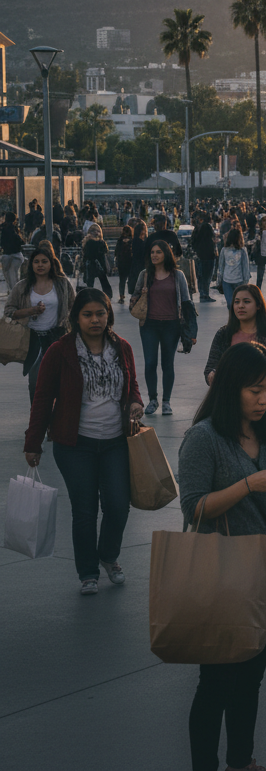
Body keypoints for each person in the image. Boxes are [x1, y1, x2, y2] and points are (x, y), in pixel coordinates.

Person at [179, 342, 266, 771]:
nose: (265, 399)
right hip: (218, 575)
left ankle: (241, 761)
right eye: (255, 389)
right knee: (214, 685)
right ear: (232, 387)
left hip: (262, 570)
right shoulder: (204, 438)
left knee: (251, 682)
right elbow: (194, 508)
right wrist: (249, 485)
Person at [23, 289, 143, 596]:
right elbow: (42, 399)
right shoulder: (60, 351)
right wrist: (33, 443)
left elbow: (133, 388)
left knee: (118, 506)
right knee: (85, 510)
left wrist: (134, 405)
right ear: (76, 318)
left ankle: (108, 556)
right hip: (74, 444)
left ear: (108, 315)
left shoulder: (122, 348)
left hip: (116, 442)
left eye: (100, 313)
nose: (95, 320)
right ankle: (88, 571)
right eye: (88, 314)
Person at [5, 244, 76, 400]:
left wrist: (67, 321)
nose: (40, 265)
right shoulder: (22, 286)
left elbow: (74, 306)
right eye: (36, 262)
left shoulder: (62, 284)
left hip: (57, 337)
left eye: (44, 261)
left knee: (58, 381)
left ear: (51, 263)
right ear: (31, 264)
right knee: (36, 383)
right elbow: (9, 311)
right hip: (32, 339)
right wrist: (31, 311)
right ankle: (38, 421)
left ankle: (56, 420)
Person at [131, 239, 192, 417]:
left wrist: (190, 329)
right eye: (152, 252)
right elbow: (134, 297)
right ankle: (152, 399)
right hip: (149, 324)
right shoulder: (144, 274)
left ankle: (166, 402)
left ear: (166, 254)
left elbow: (186, 302)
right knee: (150, 363)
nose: (155, 255)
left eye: (158, 252)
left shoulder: (177, 275)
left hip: (171, 325)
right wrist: (139, 296)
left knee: (167, 363)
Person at [204, 284, 266, 392]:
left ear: (258, 305)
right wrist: (213, 375)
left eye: (246, 302)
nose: (240, 306)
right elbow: (210, 368)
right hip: (229, 399)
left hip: (263, 400)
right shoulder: (223, 335)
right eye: (237, 302)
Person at [216, 228, 251, 310]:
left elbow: (245, 266)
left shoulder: (242, 250)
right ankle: (233, 321)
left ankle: (237, 320)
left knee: (237, 305)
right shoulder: (224, 250)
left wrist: (245, 282)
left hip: (239, 281)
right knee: (230, 304)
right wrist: (220, 280)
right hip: (227, 281)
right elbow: (221, 266)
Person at [192, 211, 218, 302]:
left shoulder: (197, 229)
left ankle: (202, 294)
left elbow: (193, 242)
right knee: (207, 276)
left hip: (199, 255)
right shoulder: (208, 227)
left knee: (201, 276)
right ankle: (205, 294)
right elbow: (212, 239)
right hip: (208, 255)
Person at [1, 211, 25, 290]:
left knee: (7, 276)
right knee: (15, 275)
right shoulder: (15, 229)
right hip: (16, 254)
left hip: (6, 255)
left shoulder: (2, 229)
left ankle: (11, 291)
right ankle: (16, 291)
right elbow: (21, 242)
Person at [113, 224, 134, 304]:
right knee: (130, 280)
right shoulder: (132, 241)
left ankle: (122, 296)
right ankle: (130, 295)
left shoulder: (120, 240)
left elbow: (116, 252)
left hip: (122, 263)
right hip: (130, 263)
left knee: (122, 280)